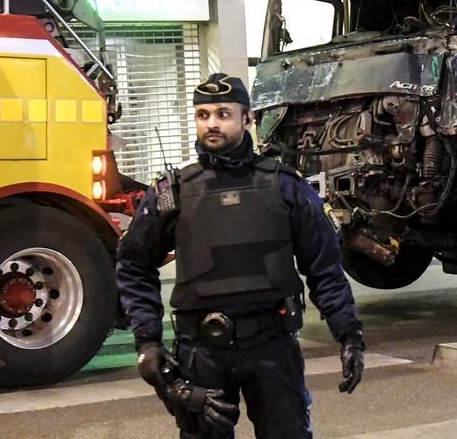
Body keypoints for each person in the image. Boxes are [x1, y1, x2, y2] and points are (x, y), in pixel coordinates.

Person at [116, 73, 365, 439]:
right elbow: (134, 265)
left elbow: (324, 267)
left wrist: (349, 335)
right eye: (202, 115)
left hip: (272, 348)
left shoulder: (285, 186)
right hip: (201, 353)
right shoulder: (173, 192)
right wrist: (147, 342)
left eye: (222, 113)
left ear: (247, 119)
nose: (211, 123)